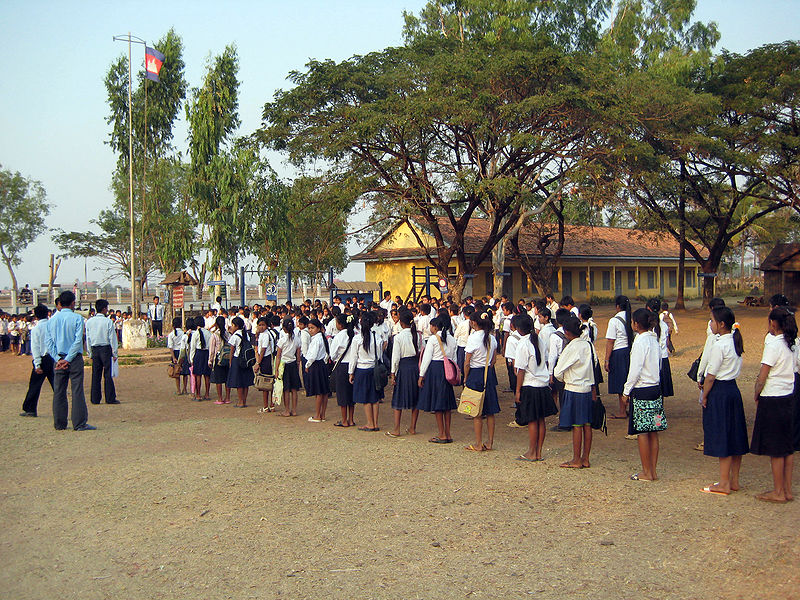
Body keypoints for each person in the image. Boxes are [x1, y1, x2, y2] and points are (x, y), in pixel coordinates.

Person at [700, 306, 748, 495]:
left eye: (712, 320)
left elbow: (711, 376)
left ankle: (723, 483)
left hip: (720, 391)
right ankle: (734, 480)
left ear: (721, 324)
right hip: (732, 390)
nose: (710, 324)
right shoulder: (735, 342)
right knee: (734, 435)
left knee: (723, 435)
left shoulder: (719, 345)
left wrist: (704, 396)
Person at [751, 308, 796, 503]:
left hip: (773, 398)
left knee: (776, 449)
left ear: (773, 324)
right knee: (788, 447)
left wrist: (756, 392)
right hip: (788, 397)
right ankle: (786, 489)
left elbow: (763, 375)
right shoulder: (791, 344)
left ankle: (778, 491)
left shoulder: (774, 345)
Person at [622, 309, 666, 481]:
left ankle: (646, 471)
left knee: (642, 432)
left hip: (642, 391)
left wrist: (626, 392)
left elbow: (635, 371)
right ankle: (652, 470)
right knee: (653, 431)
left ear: (636, 324)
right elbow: (660, 365)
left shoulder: (640, 342)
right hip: (655, 389)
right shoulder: (654, 340)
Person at [554, 316, 598, 469]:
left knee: (577, 425)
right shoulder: (588, 345)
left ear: (566, 332)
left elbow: (558, 371)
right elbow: (595, 365)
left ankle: (576, 459)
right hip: (587, 388)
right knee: (587, 424)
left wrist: (565, 378)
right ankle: (585, 458)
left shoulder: (572, 348)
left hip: (574, 388)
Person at [47, 291, 94, 431]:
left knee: (59, 391)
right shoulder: (77, 319)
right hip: (74, 359)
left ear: (59, 303)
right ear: (73, 303)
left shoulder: (52, 320)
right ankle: (79, 423)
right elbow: (77, 341)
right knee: (77, 390)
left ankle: (59, 423)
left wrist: (59, 359)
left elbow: (49, 343)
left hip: (58, 358)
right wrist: (68, 359)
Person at [513, 314, 557, 461]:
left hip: (530, 385)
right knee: (541, 420)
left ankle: (532, 452)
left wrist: (518, 390)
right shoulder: (540, 340)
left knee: (532, 420)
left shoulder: (523, 344)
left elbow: (520, 370)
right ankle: (538, 452)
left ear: (518, 329)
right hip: (542, 384)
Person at [418, 315, 458, 443]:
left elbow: (426, 358)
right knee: (446, 404)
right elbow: (454, 358)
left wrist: (421, 375)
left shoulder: (433, 339)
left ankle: (441, 434)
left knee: (437, 404)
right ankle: (448, 433)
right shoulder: (452, 339)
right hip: (448, 370)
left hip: (435, 370)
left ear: (436, 326)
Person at [387, 309, 421, 438]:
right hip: (415, 367)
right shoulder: (416, 335)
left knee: (398, 398)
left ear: (401, 323)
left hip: (404, 366)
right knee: (415, 397)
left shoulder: (399, 337)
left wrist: (393, 374)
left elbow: (395, 357)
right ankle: (412, 427)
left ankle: (397, 429)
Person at [348, 313, 383, 431]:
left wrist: (351, 372)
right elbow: (380, 356)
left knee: (366, 398)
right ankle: (376, 423)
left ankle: (370, 423)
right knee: (375, 397)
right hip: (374, 369)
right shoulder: (377, 337)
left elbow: (353, 357)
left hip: (362, 370)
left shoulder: (357, 339)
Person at [20, 304, 54, 418]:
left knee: (34, 385)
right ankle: (63, 408)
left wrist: (37, 364)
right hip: (53, 358)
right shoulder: (53, 326)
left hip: (42, 359)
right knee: (57, 386)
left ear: (36, 316)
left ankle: (30, 409)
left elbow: (35, 348)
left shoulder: (36, 329)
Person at [605, 295, 634, 420]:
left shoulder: (614, 321)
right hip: (630, 351)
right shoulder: (631, 318)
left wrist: (606, 359)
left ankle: (622, 410)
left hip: (618, 353)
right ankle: (631, 409)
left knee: (620, 382)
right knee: (630, 380)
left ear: (617, 306)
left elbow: (610, 341)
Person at [85, 299, 119, 405]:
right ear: (104, 309)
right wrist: (115, 353)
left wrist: (89, 352)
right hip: (105, 348)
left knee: (96, 374)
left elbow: (88, 339)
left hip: (95, 349)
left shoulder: (90, 322)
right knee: (108, 374)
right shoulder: (108, 322)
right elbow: (112, 338)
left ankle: (95, 398)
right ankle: (110, 398)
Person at [330, 313, 356, 427]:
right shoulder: (355, 334)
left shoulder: (339, 336)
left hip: (342, 366)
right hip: (353, 366)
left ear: (340, 325)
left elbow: (332, 355)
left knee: (342, 394)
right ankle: (351, 419)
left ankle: (344, 420)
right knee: (351, 393)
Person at [304, 318, 331, 422]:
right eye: (309, 328)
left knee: (318, 392)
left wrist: (307, 365)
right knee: (323, 391)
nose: (310, 330)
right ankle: (322, 414)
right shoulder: (322, 338)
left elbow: (313, 355)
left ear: (318, 328)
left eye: (312, 328)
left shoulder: (316, 340)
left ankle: (317, 415)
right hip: (322, 365)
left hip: (316, 365)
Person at [276, 318, 302, 417]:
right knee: (294, 389)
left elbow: (278, 356)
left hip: (284, 364)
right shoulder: (297, 339)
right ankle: (294, 410)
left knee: (286, 389)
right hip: (293, 364)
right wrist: (298, 365)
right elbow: (298, 356)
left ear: (284, 328)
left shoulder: (282, 340)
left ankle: (287, 410)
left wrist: (276, 369)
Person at [226, 317, 254, 408]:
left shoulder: (235, 336)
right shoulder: (246, 334)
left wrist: (230, 361)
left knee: (239, 382)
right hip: (246, 360)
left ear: (236, 326)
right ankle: (244, 400)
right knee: (245, 382)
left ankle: (240, 401)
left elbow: (232, 350)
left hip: (237, 359)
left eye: (233, 325)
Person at [254, 317, 278, 413]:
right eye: (259, 325)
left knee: (265, 384)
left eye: (263, 325)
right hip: (271, 359)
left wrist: (258, 363)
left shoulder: (264, 335)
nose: (261, 327)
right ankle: (272, 405)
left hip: (265, 359)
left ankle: (265, 406)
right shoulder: (271, 333)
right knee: (271, 382)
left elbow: (263, 350)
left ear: (267, 325)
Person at [208, 315, 231, 405]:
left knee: (218, 380)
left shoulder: (214, 335)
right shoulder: (228, 334)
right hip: (227, 357)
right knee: (226, 379)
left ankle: (220, 398)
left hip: (218, 358)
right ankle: (228, 397)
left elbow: (212, 349)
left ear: (216, 324)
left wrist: (210, 360)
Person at [189, 317, 212, 401]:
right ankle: (207, 394)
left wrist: (191, 359)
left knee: (198, 375)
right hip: (207, 353)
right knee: (207, 375)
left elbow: (192, 347)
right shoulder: (209, 333)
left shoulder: (195, 334)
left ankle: (198, 394)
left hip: (198, 354)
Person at [167, 317, 188, 395]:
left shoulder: (171, 335)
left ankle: (178, 390)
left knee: (176, 372)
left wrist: (173, 357)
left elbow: (170, 346)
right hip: (183, 352)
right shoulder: (184, 333)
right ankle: (185, 389)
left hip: (175, 352)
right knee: (185, 372)